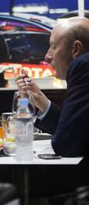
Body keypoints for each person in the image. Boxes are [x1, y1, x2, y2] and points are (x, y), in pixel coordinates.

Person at [16, 16, 89, 157]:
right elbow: (75, 133)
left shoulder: (83, 67)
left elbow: (66, 145)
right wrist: (42, 102)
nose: (47, 56)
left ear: (76, 49)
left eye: (54, 46)